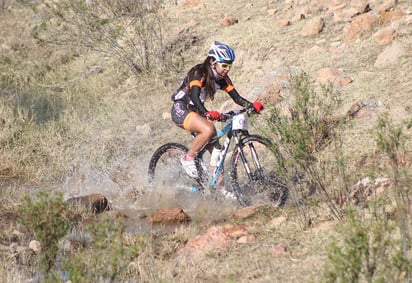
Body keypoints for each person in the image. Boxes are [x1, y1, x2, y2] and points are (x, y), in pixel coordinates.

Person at [170, 41, 263, 186]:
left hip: (196, 111)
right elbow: (194, 96)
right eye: (224, 65)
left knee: (217, 153)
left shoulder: (222, 79)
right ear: (213, 61)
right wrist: (207, 113)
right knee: (209, 129)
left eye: (229, 66)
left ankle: (220, 190)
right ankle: (188, 158)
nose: (227, 69)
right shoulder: (199, 72)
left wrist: (251, 106)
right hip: (181, 108)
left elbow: (237, 98)